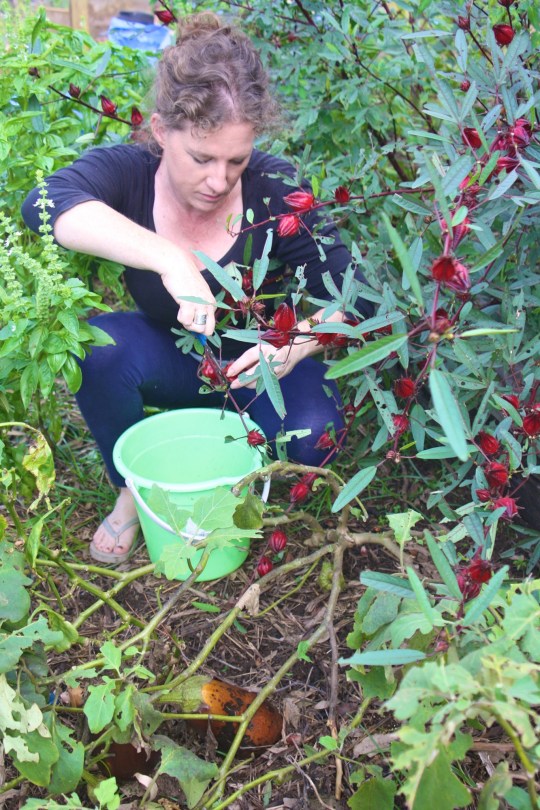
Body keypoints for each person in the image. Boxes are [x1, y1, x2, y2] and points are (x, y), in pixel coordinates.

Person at [22, 11, 373, 564]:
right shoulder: (131, 170)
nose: (218, 180)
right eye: (202, 158)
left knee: (316, 435)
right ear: (162, 132)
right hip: (173, 354)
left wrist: (292, 344)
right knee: (96, 352)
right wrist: (170, 259)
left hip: (262, 365)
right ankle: (131, 492)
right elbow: (46, 206)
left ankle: (235, 466)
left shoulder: (274, 186)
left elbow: (359, 298)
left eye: (237, 159)